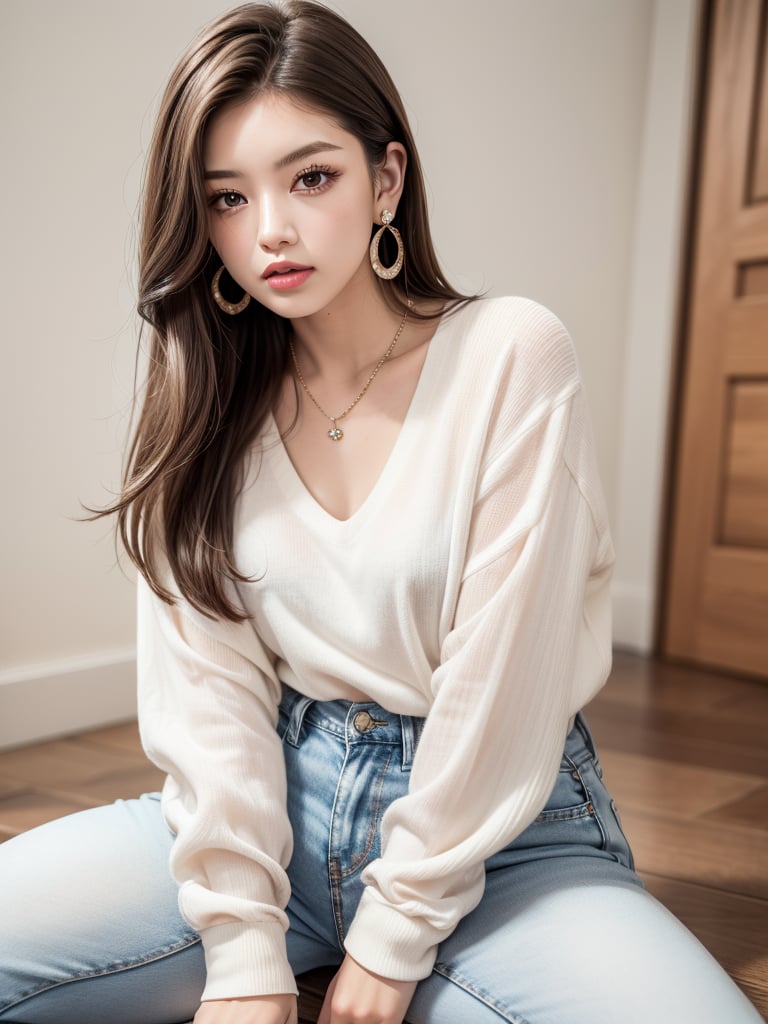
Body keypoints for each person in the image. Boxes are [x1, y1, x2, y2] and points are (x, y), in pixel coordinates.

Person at [0, 3, 762, 1023]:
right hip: (270, 798)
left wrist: (393, 940)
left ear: (385, 180)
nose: (269, 229)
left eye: (311, 177)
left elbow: (502, 690)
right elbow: (210, 694)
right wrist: (242, 953)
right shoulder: (206, 402)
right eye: (227, 197)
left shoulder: (512, 358)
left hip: (500, 839)